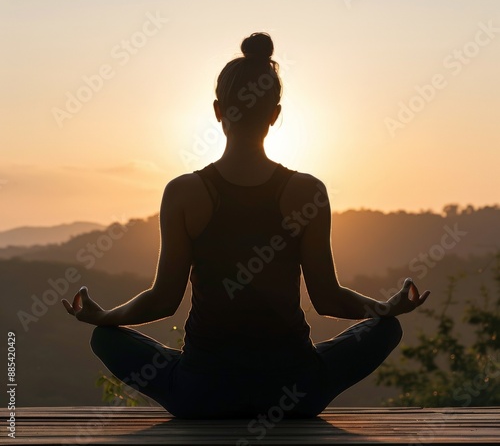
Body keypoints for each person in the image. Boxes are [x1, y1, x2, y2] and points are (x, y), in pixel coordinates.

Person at [62, 32, 430, 419]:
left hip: (203, 394)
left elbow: (163, 300)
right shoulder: (307, 191)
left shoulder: (184, 193)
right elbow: (328, 299)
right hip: (294, 392)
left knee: (106, 340)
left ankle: (188, 372)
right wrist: (383, 308)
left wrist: (102, 318)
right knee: (386, 329)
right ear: (275, 113)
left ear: (218, 110)